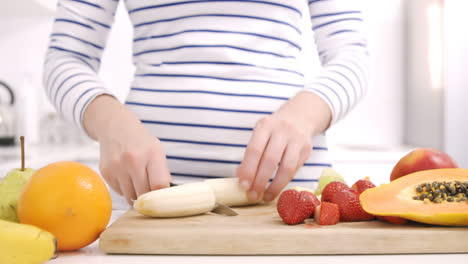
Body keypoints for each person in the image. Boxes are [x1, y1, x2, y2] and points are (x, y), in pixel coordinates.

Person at [43, 0, 369, 205]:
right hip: (147, 196)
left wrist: (303, 116)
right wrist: (111, 123)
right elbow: (66, 58)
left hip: (290, 198)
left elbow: (352, 56)